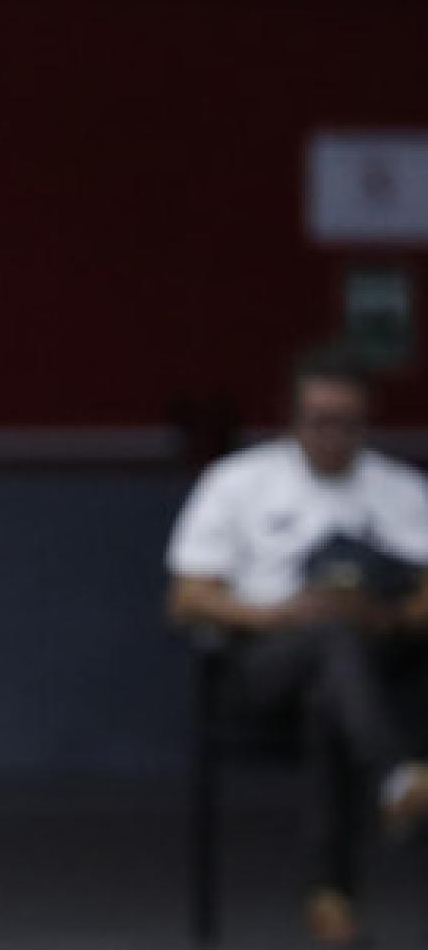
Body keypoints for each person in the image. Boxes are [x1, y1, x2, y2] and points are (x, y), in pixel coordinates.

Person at [167, 348, 428, 947]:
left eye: (349, 422)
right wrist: (278, 613)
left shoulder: (403, 491)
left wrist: (387, 616)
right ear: (291, 418)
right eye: (320, 420)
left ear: (369, 421)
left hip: (375, 669)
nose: (334, 435)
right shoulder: (236, 483)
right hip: (264, 665)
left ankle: (330, 899)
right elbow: (186, 600)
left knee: (332, 694)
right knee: (328, 641)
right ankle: (395, 778)